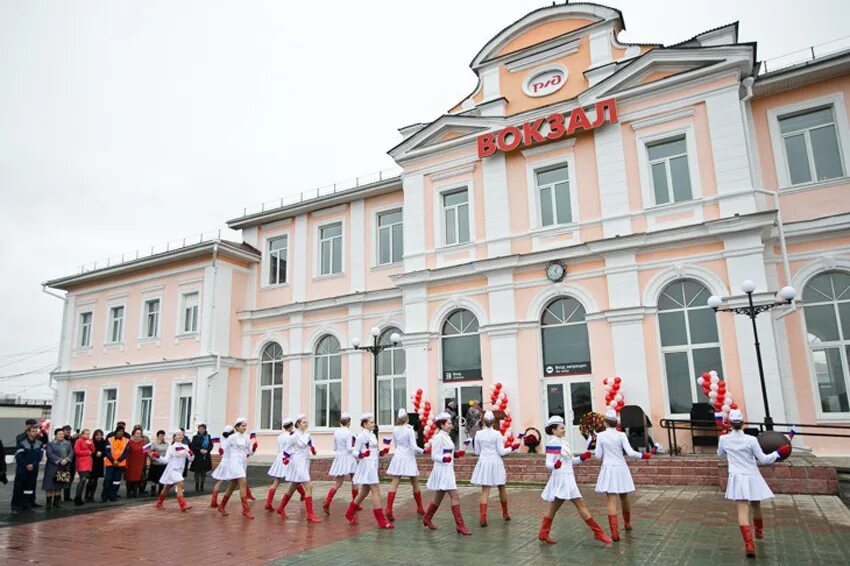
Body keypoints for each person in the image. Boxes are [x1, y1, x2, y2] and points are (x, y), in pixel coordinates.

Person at [719, 409, 790, 557]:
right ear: (743, 423)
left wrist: (725, 441)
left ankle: (749, 545)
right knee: (756, 505)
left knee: (742, 510)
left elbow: (720, 455)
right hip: (752, 475)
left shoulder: (724, 439)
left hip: (737, 476)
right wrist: (778, 453)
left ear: (730, 423)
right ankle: (759, 533)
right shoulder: (751, 440)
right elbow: (763, 459)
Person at [537, 415, 611, 545]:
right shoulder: (553, 444)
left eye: (564, 428)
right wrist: (555, 465)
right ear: (554, 430)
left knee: (554, 508)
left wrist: (582, 457)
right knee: (580, 504)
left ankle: (543, 532)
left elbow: (570, 461)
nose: (564, 430)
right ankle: (598, 532)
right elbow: (548, 463)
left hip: (568, 477)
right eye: (561, 428)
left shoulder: (564, 443)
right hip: (561, 478)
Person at [594, 409, 651, 541]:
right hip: (621, 467)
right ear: (616, 423)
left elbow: (598, 456)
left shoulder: (601, 436)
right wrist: (644, 455)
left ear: (605, 422)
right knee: (624, 496)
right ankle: (627, 523)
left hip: (608, 467)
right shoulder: (621, 435)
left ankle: (614, 533)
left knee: (611, 499)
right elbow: (630, 453)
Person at [422, 412, 471, 535]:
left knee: (438, 498)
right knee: (455, 496)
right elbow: (434, 455)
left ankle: (427, 518)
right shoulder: (438, 438)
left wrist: (458, 453)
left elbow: (449, 452)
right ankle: (460, 526)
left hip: (448, 469)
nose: (451, 425)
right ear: (442, 425)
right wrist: (443, 459)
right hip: (442, 470)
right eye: (448, 423)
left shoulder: (447, 436)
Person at [470, 410, 521, 527]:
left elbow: (477, 452)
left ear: (483, 421)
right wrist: (512, 448)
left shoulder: (478, 434)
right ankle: (505, 513)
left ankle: (483, 517)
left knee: (485, 490)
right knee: (501, 487)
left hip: (484, 462)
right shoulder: (497, 434)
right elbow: (502, 452)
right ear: (494, 421)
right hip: (496, 462)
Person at [344, 413, 392, 528]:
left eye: (373, 422)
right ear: (365, 424)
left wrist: (382, 452)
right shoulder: (361, 436)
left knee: (364, 492)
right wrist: (362, 454)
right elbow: (354, 452)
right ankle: (381, 520)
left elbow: (375, 451)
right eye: (371, 422)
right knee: (376, 491)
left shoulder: (373, 435)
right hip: (367, 465)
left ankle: (349, 512)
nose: (373, 424)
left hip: (373, 465)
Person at [275, 414, 321, 523]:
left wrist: (313, 450)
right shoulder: (294, 436)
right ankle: (310, 514)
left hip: (305, 462)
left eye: (306, 422)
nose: (306, 424)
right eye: (304, 422)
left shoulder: (308, 436)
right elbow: (286, 449)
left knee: (292, 487)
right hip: (297, 462)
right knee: (309, 486)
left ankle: (281, 508)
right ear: (298, 424)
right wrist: (285, 458)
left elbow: (311, 448)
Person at [385, 408, 425, 520]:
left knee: (395, 482)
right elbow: (413, 446)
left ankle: (388, 508)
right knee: (415, 482)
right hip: (408, 457)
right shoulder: (409, 430)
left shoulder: (395, 430)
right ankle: (420, 507)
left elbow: (396, 445)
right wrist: (423, 450)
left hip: (398, 457)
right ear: (407, 418)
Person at [215, 418, 256, 519]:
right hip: (234, 462)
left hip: (242, 462)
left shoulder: (247, 438)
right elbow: (225, 450)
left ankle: (222, 506)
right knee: (243, 482)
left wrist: (254, 448)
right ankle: (246, 509)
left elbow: (250, 452)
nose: (244, 427)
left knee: (233, 485)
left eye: (245, 426)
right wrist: (227, 463)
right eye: (242, 425)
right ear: (237, 427)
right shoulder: (232, 438)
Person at [323, 413, 357, 515]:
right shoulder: (348, 433)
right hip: (348, 457)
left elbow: (334, 448)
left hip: (339, 457)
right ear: (349, 422)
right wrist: (356, 447)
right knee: (354, 479)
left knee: (338, 483)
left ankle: (328, 501)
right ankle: (355, 503)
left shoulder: (336, 432)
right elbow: (349, 448)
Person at [153, 430, 195, 512]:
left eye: (181, 435)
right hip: (172, 469)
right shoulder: (171, 447)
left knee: (167, 488)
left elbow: (190, 459)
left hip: (180, 470)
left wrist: (191, 454)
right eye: (178, 435)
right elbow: (165, 460)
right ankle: (183, 505)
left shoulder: (186, 447)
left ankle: (159, 503)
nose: (180, 436)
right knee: (180, 484)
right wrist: (158, 457)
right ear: (174, 437)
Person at [11, 425, 44, 513]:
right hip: (22, 469)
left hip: (33, 469)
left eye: (36, 431)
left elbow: (39, 456)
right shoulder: (22, 443)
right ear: (28, 432)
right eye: (33, 431)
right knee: (19, 487)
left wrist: (33, 464)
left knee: (29, 488)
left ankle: (27, 505)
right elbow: (19, 456)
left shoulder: (39, 443)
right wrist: (26, 464)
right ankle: (16, 506)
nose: (35, 433)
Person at [266, 417, 295, 511]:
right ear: (291, 426)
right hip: (287, 458)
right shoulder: (291, 436)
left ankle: (268, 503)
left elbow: (279, 449)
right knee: (294, 479)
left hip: (279, 458)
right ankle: (303, 495)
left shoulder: (280, 436)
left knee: (276, 481)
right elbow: (291, 449)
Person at [43, 428, 73, 510]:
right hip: (52, 466)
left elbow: (71, 453)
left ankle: (56, 503)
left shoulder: (67, 443)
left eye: (62, 434)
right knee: (50, 485)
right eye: (59, 434)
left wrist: (66, 459)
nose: (61, 436)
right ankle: (48, 504)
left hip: (63, 466)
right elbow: (49, 454)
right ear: (55, 435)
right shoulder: (51, 444)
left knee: (59, 484)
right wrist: (59, 460)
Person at [101, 427, 129, 502]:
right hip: (110, 463)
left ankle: (113, 496)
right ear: (116, 432)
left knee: (116, 481)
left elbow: (125, 452)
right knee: (108, 480)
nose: (121, 433)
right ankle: (105, 496)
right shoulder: (110, 439)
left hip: (120, 464)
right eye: (119, 431)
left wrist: (119, 460)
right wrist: (113, 460)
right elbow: (107, 451)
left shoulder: (126, 440)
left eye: (122, 432)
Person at [209, 425, 234, 508]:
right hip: (230, 463)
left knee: (219, 481)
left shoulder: (223, 441)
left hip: (223, 462)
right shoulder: (232, 441)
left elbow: (221, 452)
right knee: (237, 481)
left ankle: (214, 500)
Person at [73, 428, 94, 505]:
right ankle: (77, 497)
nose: (88, 435)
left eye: (89, 433)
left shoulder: (90, 441)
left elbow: (93, 451)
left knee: (86, 480)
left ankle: (80, 497)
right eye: (86, 433)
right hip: (81, 462)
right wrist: (87, 452)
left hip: (88, 463)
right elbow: (77, 451)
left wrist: (90, 444)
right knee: (83, 479)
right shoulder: (79, 441)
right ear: (82, 434)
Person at [125, 427, 147, 498]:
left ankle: (135, 492)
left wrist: (148, 461)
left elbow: (147, 452)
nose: (139, 434)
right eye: (137, 433)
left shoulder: (143, 442)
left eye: (140, 433)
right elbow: (126, 453)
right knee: (129, 477)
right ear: (133, 434)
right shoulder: (129, 442)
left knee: (137, 477)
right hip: (131, 462)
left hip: (140, 462)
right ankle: (128, 492)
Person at [190, 423, 213, 492]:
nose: (201, 430)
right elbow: (193, 446)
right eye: (199, 429)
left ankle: (202, 484)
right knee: (197, 471)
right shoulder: (195, 437)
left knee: (204, 471)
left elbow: (211, 445)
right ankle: (197, 484)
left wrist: (207, 450)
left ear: (205, 429)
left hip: (205, 456)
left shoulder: (208, 437)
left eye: (202, 429)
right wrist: (200, 449)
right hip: (198, 456)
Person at [87, 429, 106, 502]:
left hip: (99, 462)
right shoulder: (91, 442)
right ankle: (87, 494)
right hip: (92, 462)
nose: (98, 437)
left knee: (95, 480)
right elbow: (89, 451)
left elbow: (105, 451)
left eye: (100, 435)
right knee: (90, 479)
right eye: (97, 435)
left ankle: (92, 495)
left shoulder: (103, 442)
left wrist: (102, 453)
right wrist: (95, 453)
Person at [148, 430, 169, 496]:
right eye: (160, 436)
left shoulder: (166, 444)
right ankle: (153, 490)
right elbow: (150, 453)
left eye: (163, 436)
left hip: (163, 464)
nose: (162, 437)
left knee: (162, 478)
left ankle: (161, 490)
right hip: (155, 463)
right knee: (154, 478)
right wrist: (152, 459)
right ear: (157, 436)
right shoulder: (154, 444)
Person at [62, 425, 78, 502]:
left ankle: (66, 496)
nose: (68, 431)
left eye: (69, 430)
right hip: (65, 462)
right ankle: (58, 496)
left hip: (72, 462)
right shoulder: (62, 438)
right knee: (62, 479)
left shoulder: (71, 439)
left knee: (70, 479)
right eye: (66, 430)